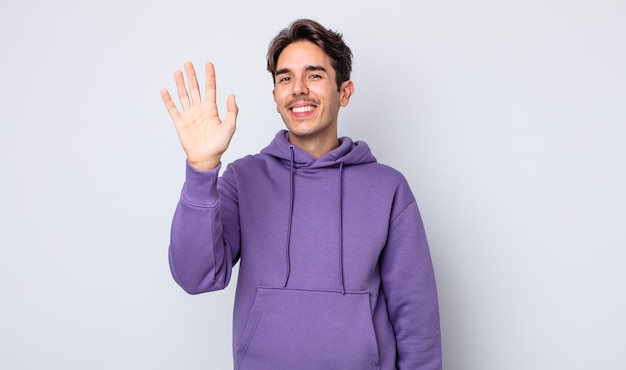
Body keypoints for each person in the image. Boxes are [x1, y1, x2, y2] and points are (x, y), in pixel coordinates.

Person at [161, 18, 442, 370]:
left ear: (345, 91)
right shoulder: (243, 179)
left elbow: (417, 316)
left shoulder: (388, 188)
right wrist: (202, 169)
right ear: (276, 96)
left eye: (314, 75)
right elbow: (195, 276)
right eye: (285, 78)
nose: (298, 89)